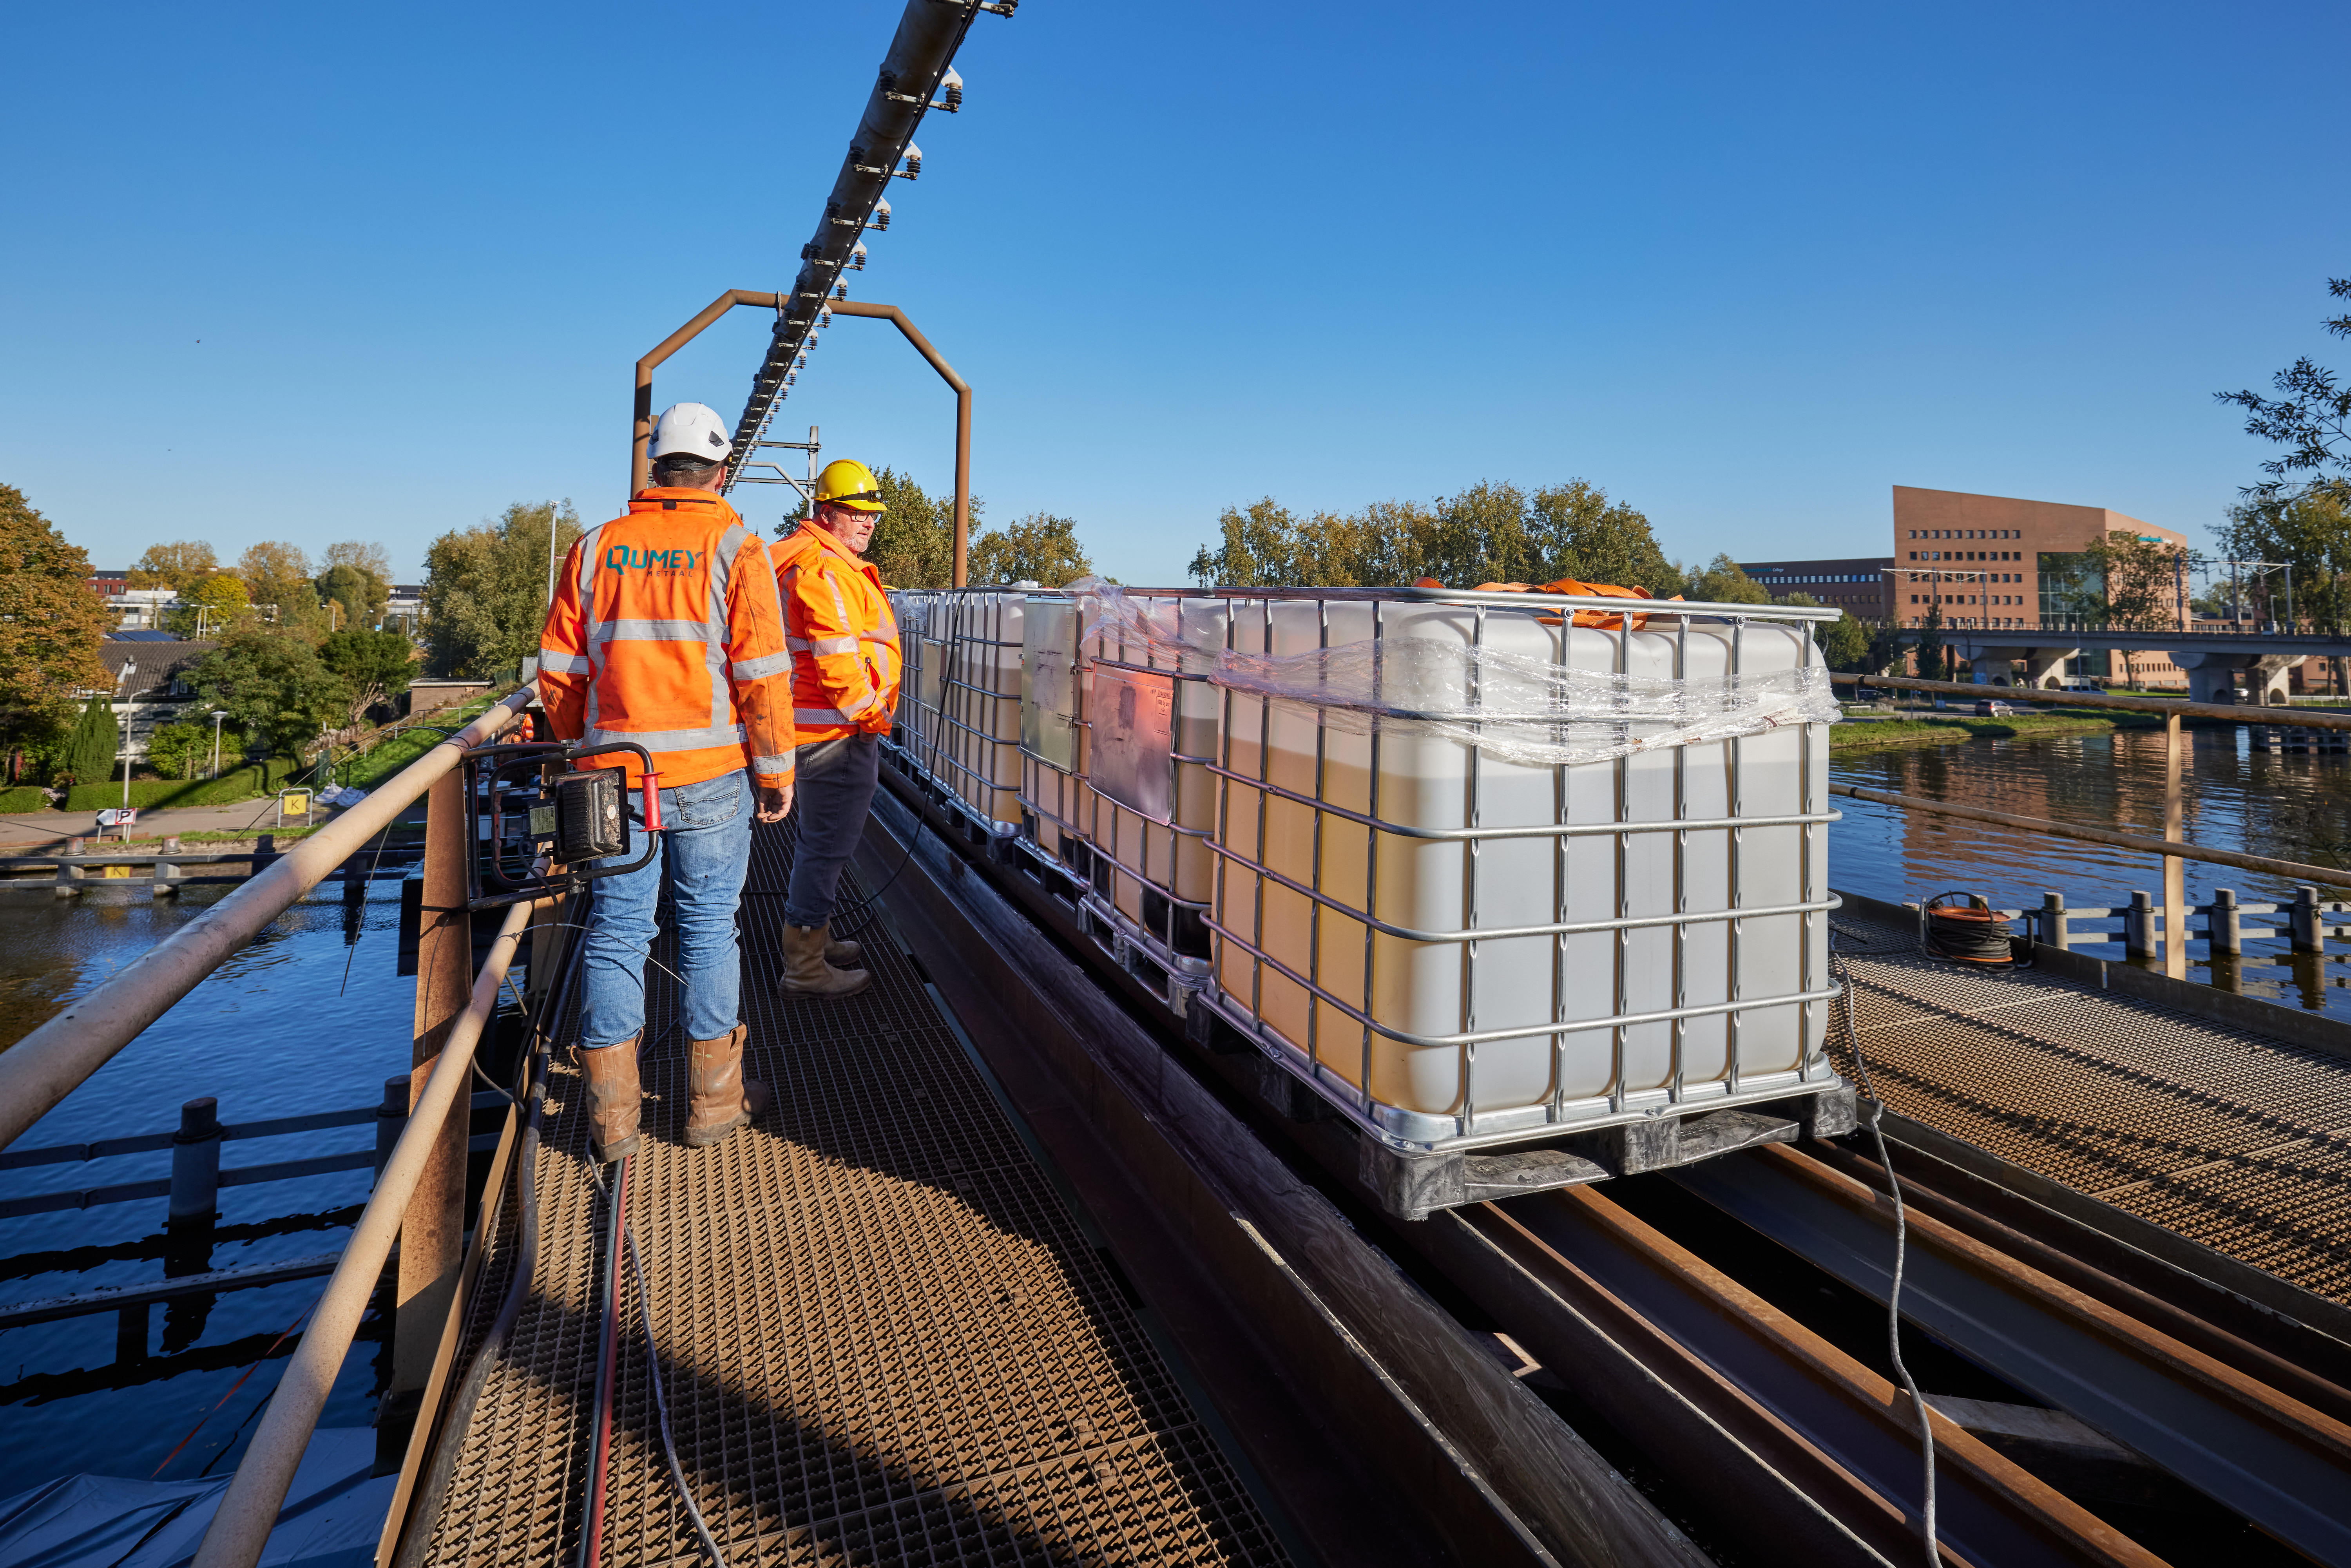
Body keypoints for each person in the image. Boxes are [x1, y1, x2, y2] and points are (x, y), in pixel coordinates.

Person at [538, 402, 797, 1161]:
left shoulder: (594, 550)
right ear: (720, 473)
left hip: (617, 782)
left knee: (618, 932)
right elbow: (762, 676)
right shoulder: (735, 547)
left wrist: (583, 744)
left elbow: (559, 674)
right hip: (714, 779)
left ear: (657, 473)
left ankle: (612, 1122)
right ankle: (714, 1102)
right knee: (712, 930)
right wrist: (775, 771)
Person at [768, 458, 903, 999]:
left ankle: (814, 939)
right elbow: (837, 659)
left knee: (817, 843)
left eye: (872, 514)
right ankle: (804, 967)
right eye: (855, 513)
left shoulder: (805, 558)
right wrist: (872, 715)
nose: (868, 522)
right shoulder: (824, 569)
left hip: (813, 730)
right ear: (826, 513)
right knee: (826, 846)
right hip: (835, 735)